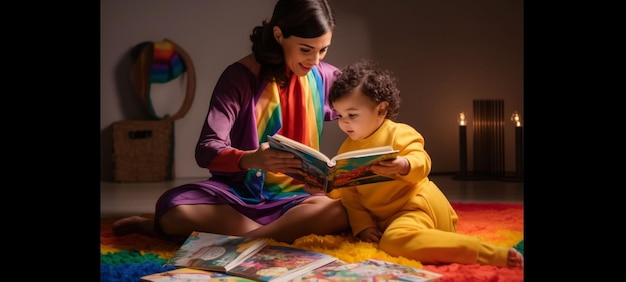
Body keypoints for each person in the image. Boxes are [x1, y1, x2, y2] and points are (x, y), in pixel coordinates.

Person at [112, 0, 349, 244]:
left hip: (299, 198)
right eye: (306, 49)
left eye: (323, 50)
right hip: (239, 197)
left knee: (340, 210)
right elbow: (206, 149)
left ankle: (247, 239)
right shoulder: (239, 77)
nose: (315, 60)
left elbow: (366, 110)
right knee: (173, 208)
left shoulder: (323, 76)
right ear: (279, 35)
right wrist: (252, 159)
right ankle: (275, 233)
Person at [326, 59, 523, 268]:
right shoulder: (347, 150)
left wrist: (405, 164)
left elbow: (422, 161)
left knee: (392, 242)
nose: (344, 122)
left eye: (352, 115)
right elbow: (351, 196)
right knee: (392, 237)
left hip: (418, 207)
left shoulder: (398, 133)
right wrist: (363, 226)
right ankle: (427, 241)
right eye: (340, 115)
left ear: (381, 110)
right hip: (392, 219)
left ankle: (484, 252)